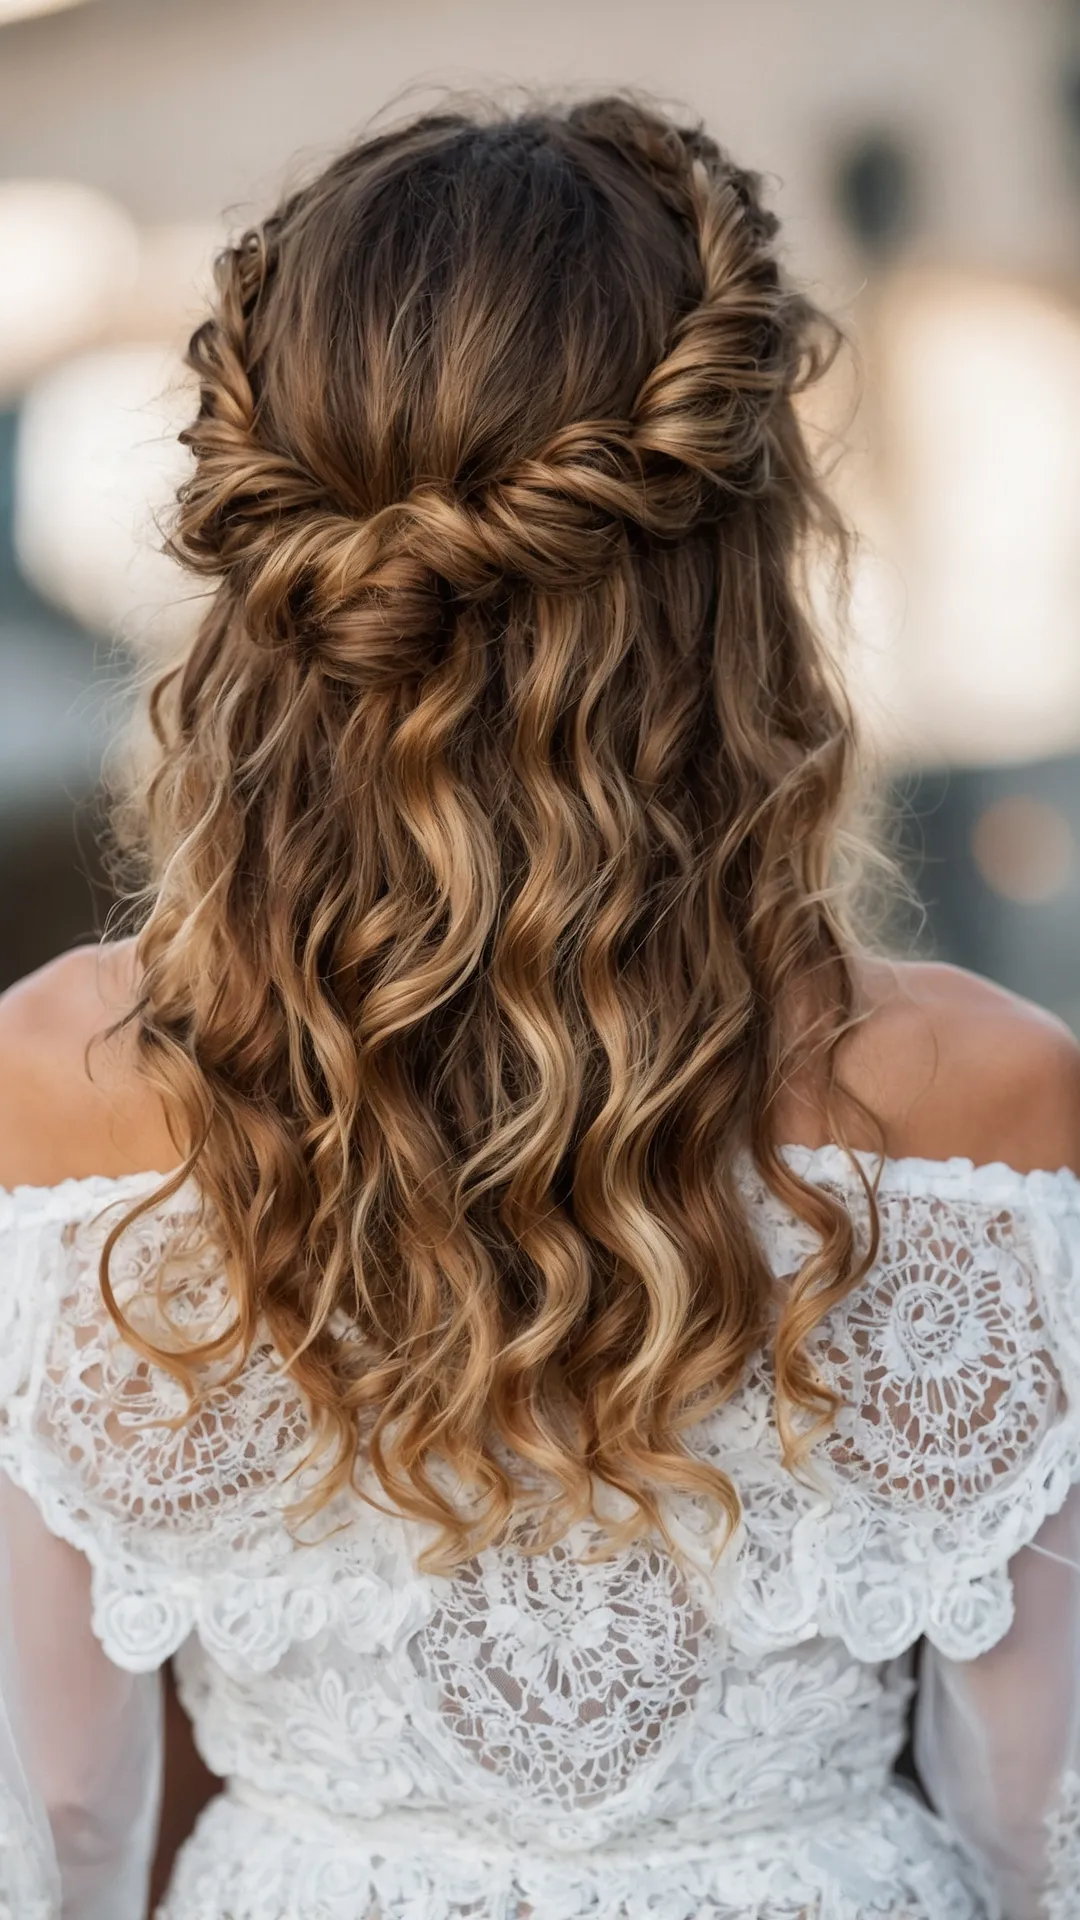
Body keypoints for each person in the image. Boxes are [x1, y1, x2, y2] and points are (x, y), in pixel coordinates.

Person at [0, 95, 1078, 1920]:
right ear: (752, 580)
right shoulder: (984, 1093)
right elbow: (1035, 1813)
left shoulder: (64, 1083)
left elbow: (59, 1824)